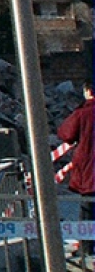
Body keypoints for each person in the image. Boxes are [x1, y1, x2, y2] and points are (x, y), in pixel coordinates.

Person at [60, 83, 94, 269]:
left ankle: (87, 248)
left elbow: (65, 133)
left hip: (89, 170)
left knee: (87, 208)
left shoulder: (83, 113)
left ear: (88, 92)